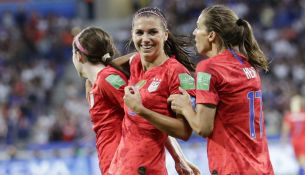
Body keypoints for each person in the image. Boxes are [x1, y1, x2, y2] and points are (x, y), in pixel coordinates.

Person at [72, 27, 200, 174]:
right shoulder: (94, 83)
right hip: (114, 166)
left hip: (129, 165)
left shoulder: (107, 79)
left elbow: (146, 119)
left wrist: (179, 158)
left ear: (78, 56)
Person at [167, 5, 274, 174]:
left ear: (211, 35)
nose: (194, 33)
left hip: (233, 167)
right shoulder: (246, 64)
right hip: (262, 167)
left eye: (198, 27)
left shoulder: (208, 68)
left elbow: (203, 127)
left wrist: (185, 107)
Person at [108, 7, 198, 175]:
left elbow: (184, 131)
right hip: (120, 167)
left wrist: (140, 110)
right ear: (132, 35)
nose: (145, 38)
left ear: (165, 34)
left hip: (146, 169)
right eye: (139, 33)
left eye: (152, 32)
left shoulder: (176, 73)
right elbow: (107, 70)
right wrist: (178, 157)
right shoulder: (135, 62)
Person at [281, 95, 305, 175]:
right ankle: (301, 171)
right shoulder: (304, 114)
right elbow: (285, 130)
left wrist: (283, 141)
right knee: (300, 161)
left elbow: (285, 130)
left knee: (301, 161)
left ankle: (301, 171)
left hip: (300, 140)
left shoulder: (289, 116)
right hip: (298, 141)